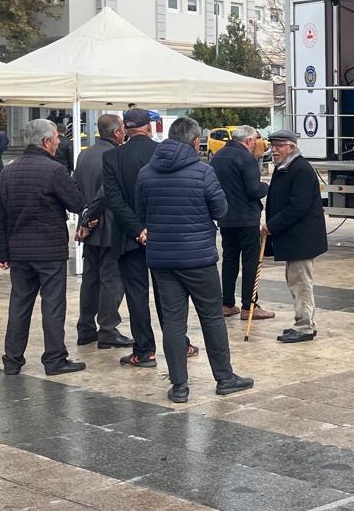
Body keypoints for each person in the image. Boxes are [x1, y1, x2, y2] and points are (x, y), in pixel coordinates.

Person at [135, 116, 255, 404]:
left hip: (163, 260)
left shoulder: (146, 173)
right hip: (198, 258)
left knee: (174, 322)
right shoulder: (203, 171)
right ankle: (224, 378)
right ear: (195, 141)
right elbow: (220, 209)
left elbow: (141, 214)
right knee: (212, 318)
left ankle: (179, 386)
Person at [0, 119, 90, 377]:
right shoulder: (54, 170)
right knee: (53, 306)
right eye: (56, 137)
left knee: (19, 305)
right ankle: (54, 359)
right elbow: (77, 203)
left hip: (19, 252)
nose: (59, 142)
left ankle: (12, 360)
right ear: (46, 141)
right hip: (49, 251)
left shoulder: (9, 171)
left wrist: (2, 254)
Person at [104, 107, 163, 368]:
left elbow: (114, 201)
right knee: (167, 294)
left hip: (129, 238)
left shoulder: (113, 156)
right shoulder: (162, 152)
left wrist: (137, 230)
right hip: (162, 236)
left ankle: (144, 351)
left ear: (125, 130)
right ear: (148, 128)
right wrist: (150, 228)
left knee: (136, 295)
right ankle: (180, 343)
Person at [264, 129, 327, 343]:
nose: (274, 150)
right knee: (296, 281)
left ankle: (305, 327)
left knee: (301, 282)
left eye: (279, 146)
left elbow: (298, 207)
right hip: (295, 237)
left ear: (291, 147)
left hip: (302, 237)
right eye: (272, 146)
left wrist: (272, 226)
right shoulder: (285, 168)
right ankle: (303, 322)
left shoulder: (300, 169)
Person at [74, 113, 129, 350]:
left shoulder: (84, 154)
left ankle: (86, 327)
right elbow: (107, 193)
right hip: (107, 225)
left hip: (89, 227)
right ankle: (107, 328)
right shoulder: (114, 155)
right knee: (112, 281)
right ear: (117, 132)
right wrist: (90, 218)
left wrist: (83, 221)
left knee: (91, 279)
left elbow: (76, 189)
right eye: (123, 129)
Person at [209, 124, 272, 322]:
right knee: (251, 261)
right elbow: (254, 190)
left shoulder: (217, 157)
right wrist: (266, 187)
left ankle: (227, 303)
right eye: (255, 141)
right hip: (246, 218)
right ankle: (249, 306)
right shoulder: (247, 158)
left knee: (229, 260)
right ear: (249, 141)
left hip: (226, 218)